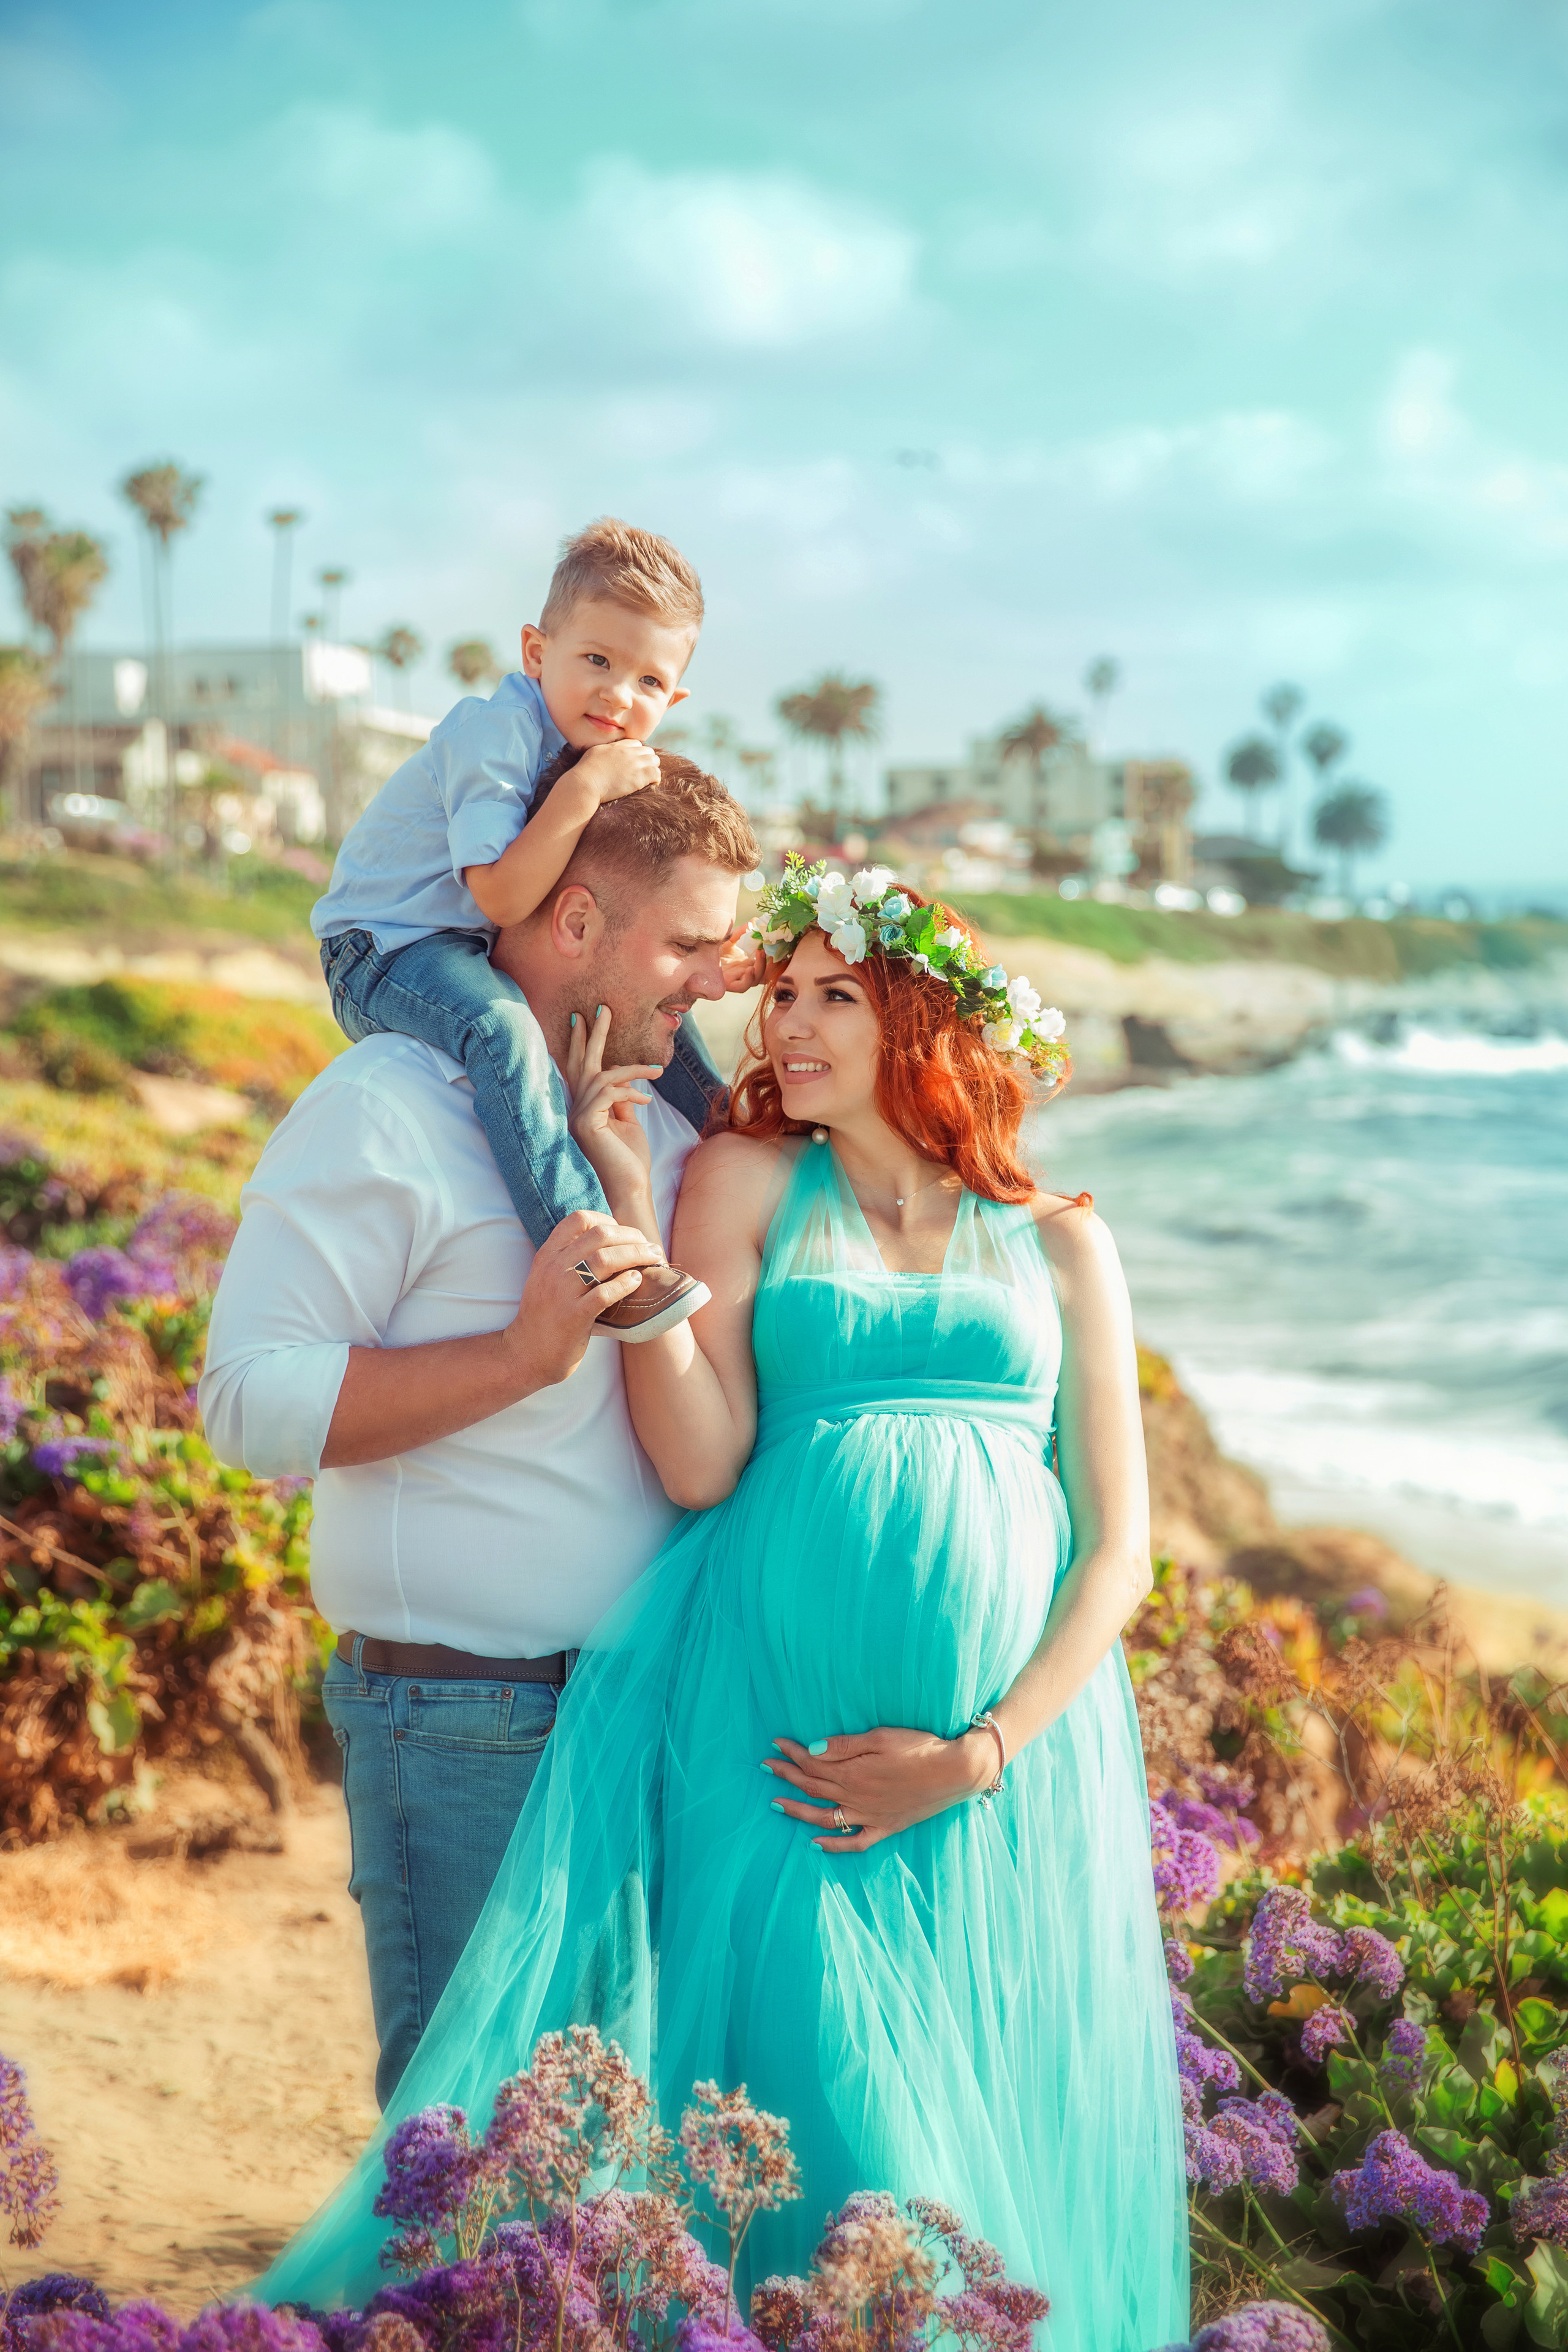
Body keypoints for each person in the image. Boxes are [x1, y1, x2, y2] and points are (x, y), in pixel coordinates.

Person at [256, 859, 1189, 2347]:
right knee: (834, 2138)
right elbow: (698, 1465)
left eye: (836, 996)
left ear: (923, 1020)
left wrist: (979, 1753)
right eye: (784, 994)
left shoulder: (1061, 1236)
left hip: (1002, 1777)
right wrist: (633, 1220)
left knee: (981, 2145)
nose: (790, 1028)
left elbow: (1118, 1552)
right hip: (776, 1752)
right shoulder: (748, 1182)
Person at [200, 753, 761, 2108]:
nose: (707, 981)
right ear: (572, 922)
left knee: (610, 2181)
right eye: (685, 941)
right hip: (460, 1723)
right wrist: (520, 1356)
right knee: (474, 2163)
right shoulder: (388, 1106)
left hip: (650, 1725)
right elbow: (246, 1401)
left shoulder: (676, 1136)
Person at [311, 516, 744, 1341]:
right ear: (537, 653)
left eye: (650, 683)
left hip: (456, 942)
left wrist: (714, 952)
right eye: (597, 662)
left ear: (675, 698)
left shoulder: (595, 747)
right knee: (501, 1030)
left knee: (653, 1016)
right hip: (380, 948)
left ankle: (741, 1133)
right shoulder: (499, 735)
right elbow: (503, 899)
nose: (620, 696)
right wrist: (586, 792)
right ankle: (596, 1264)